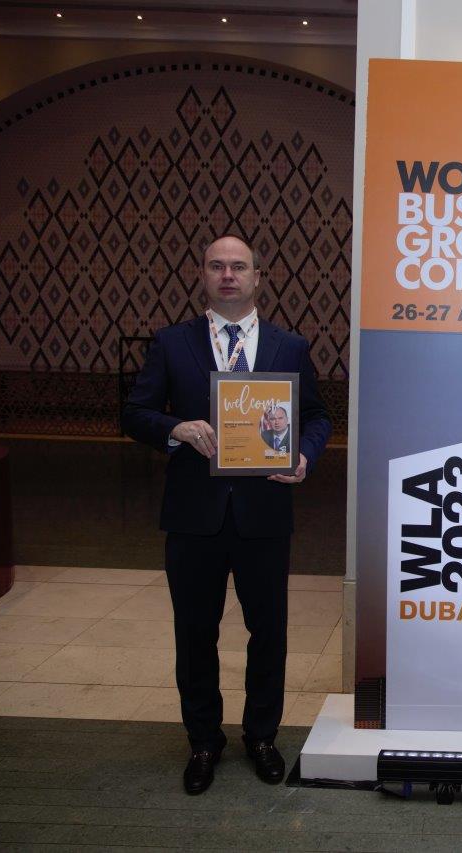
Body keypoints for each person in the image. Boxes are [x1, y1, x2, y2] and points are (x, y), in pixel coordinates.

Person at [122, 235, 331, 795]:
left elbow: (317, 415)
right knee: (195, 634)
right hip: (194, 517)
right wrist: (175, 427)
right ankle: (203, 741)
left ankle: (261, 736)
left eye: (239, 266)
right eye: (217, 266)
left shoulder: (290, 347)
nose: (228, 275)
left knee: (269, 634)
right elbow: (135, 412)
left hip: (265, 514)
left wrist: (305, 455)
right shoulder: (171, 343)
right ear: (203, 275)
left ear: (258, 277)